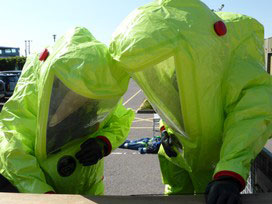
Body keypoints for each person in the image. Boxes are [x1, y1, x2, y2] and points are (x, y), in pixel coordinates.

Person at [109, 0, 272, 203]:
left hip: (214, 166)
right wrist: (164, 131)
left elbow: (250, 119)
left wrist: (230, 171)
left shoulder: (234, 67)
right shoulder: (184, 65)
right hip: (176, 155)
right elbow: (172, 108)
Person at [0, 27, 134, 194]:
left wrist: (102, 142)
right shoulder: (33, 96)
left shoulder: (97, 91)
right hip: (39, 194)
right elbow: (14, 153)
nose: (83, 102)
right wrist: (45, 195)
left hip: (89, 189)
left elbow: (120, 119)